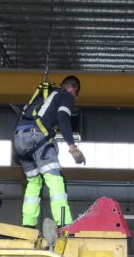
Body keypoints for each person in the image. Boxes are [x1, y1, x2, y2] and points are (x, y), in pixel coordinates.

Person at [13, 75, 85, 228]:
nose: (75, 98)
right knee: (55, 179)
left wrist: (17, 154)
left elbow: (20, 118)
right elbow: (63, 118)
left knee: (34, 182)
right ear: (74, 89)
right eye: (76, 94)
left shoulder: (41, 99)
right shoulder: (65, 95)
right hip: (38, 138)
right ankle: (64, 223)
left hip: (20, 140)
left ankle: (28, 224)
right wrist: (73, 148)